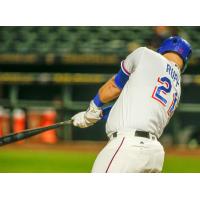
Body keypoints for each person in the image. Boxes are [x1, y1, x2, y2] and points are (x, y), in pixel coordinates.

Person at [72, 36, 192, 173]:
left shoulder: (145, 54)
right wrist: (99, 114)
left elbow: (113, 88)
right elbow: (137, 106)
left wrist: (92, 108)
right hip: (155, 155)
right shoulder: (177, 86)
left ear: (162, 48)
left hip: (128, 148)